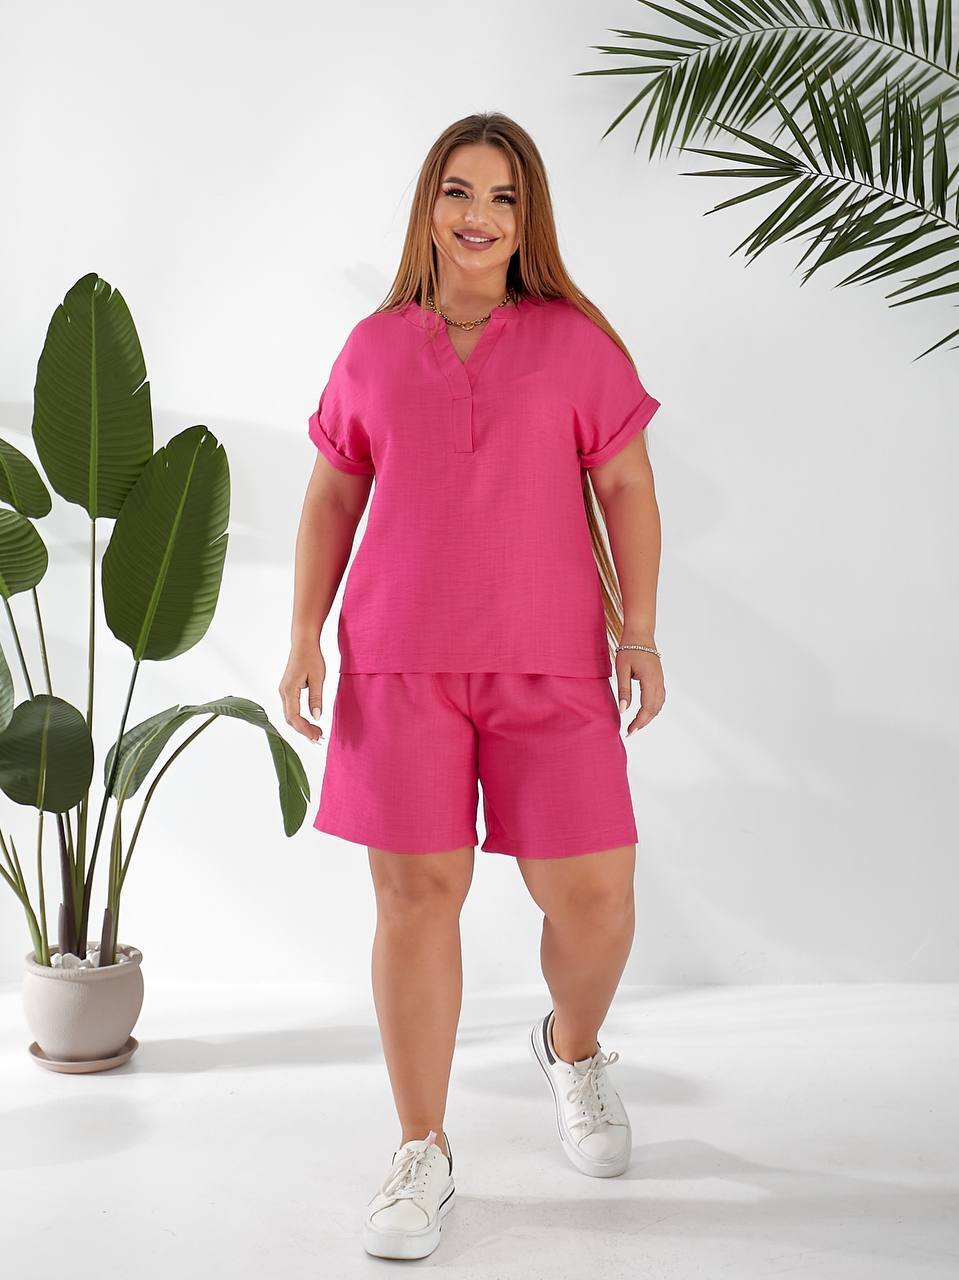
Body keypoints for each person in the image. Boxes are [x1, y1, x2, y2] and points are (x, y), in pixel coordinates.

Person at [280, 111, 665, 1261]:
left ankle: (571, 1048)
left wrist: (637, 632)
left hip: (552, 661)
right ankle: (422, 1146)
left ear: (527, 217)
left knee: (592, 895)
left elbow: (626, 488)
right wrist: (303, 632)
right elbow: (331, 494)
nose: (478, 215)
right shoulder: (372, 347)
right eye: (458, 190)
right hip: (398, 659)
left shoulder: (575, 345)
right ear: (428, 205)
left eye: (502, 195)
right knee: (416, 898)